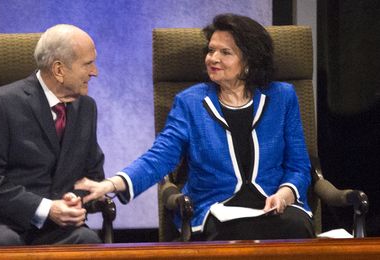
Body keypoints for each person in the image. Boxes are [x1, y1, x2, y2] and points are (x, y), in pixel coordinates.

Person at [75, 14, 315, 240]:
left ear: (249, 61)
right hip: (218, 211)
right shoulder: (190, 103)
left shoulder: (282, 97)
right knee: (236, 232)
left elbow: (299, 165)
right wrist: (112, 184)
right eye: (211, 50)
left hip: (275, 207)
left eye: (225, 52)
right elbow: (160, 158)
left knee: (296, 225)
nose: (213, 58)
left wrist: (285, 194)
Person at [0, 24, 105, 246]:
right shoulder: (1, 104)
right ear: (59, 70)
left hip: (55, 230)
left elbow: (92, 174)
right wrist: (47, 209)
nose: (95, 72)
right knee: (5, 243)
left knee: (86, 240)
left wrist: (74, 200)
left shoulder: (86, 108)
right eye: (87, 64)